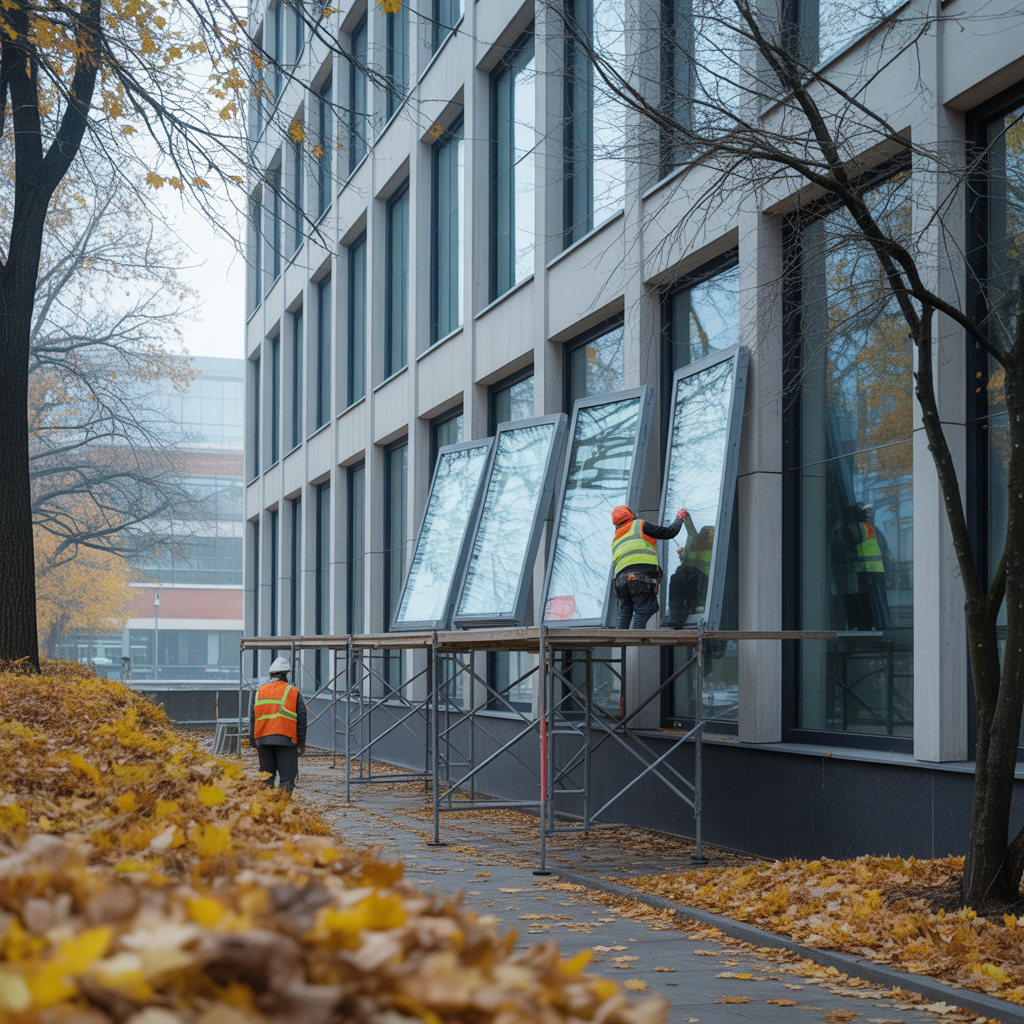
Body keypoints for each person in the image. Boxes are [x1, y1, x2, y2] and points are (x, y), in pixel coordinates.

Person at [610, 505, 687, 629]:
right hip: (638, 578)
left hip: (620, 582)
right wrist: (679, 519)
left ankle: (620, 642)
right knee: (643, 610)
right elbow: (669, 532)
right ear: (631, 514)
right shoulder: (639, 525)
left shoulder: (616, 539)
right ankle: (636, 639)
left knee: (625, 612)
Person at [249, 656, 307, 793]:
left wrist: (253, 741)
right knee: (287, 780)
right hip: (286, 741)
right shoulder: (293, 692)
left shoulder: (259, 691)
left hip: (263, 741)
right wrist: (301, 744)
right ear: (286, 674)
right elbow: (302, 721)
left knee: (266, 779)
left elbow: (253, 718)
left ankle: (266, 810)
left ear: (271, 674)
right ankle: (282, 810)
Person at [664, 519, 715, 628]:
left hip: (702, 580)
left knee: (687, 579)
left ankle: (680, 615)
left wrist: (685, 517)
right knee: (677, 579)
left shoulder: (715, 549)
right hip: (693, 576)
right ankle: (676, 615)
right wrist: (683, 557)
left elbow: (691, 530)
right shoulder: (696, 547)